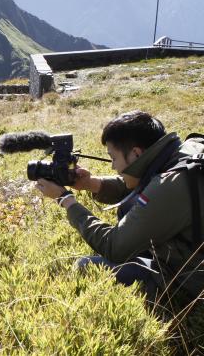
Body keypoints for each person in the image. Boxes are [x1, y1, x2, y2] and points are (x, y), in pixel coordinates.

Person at [34, 110, 204, 302]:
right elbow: (146, 182)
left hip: (194, 277)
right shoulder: (187, 152)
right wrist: (93, 184)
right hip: (190, 247)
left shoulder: (169, 185)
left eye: (114, 158)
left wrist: (65, 199)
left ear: (136, 153)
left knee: (86, 265)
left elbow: (114, 246)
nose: (113, 166)